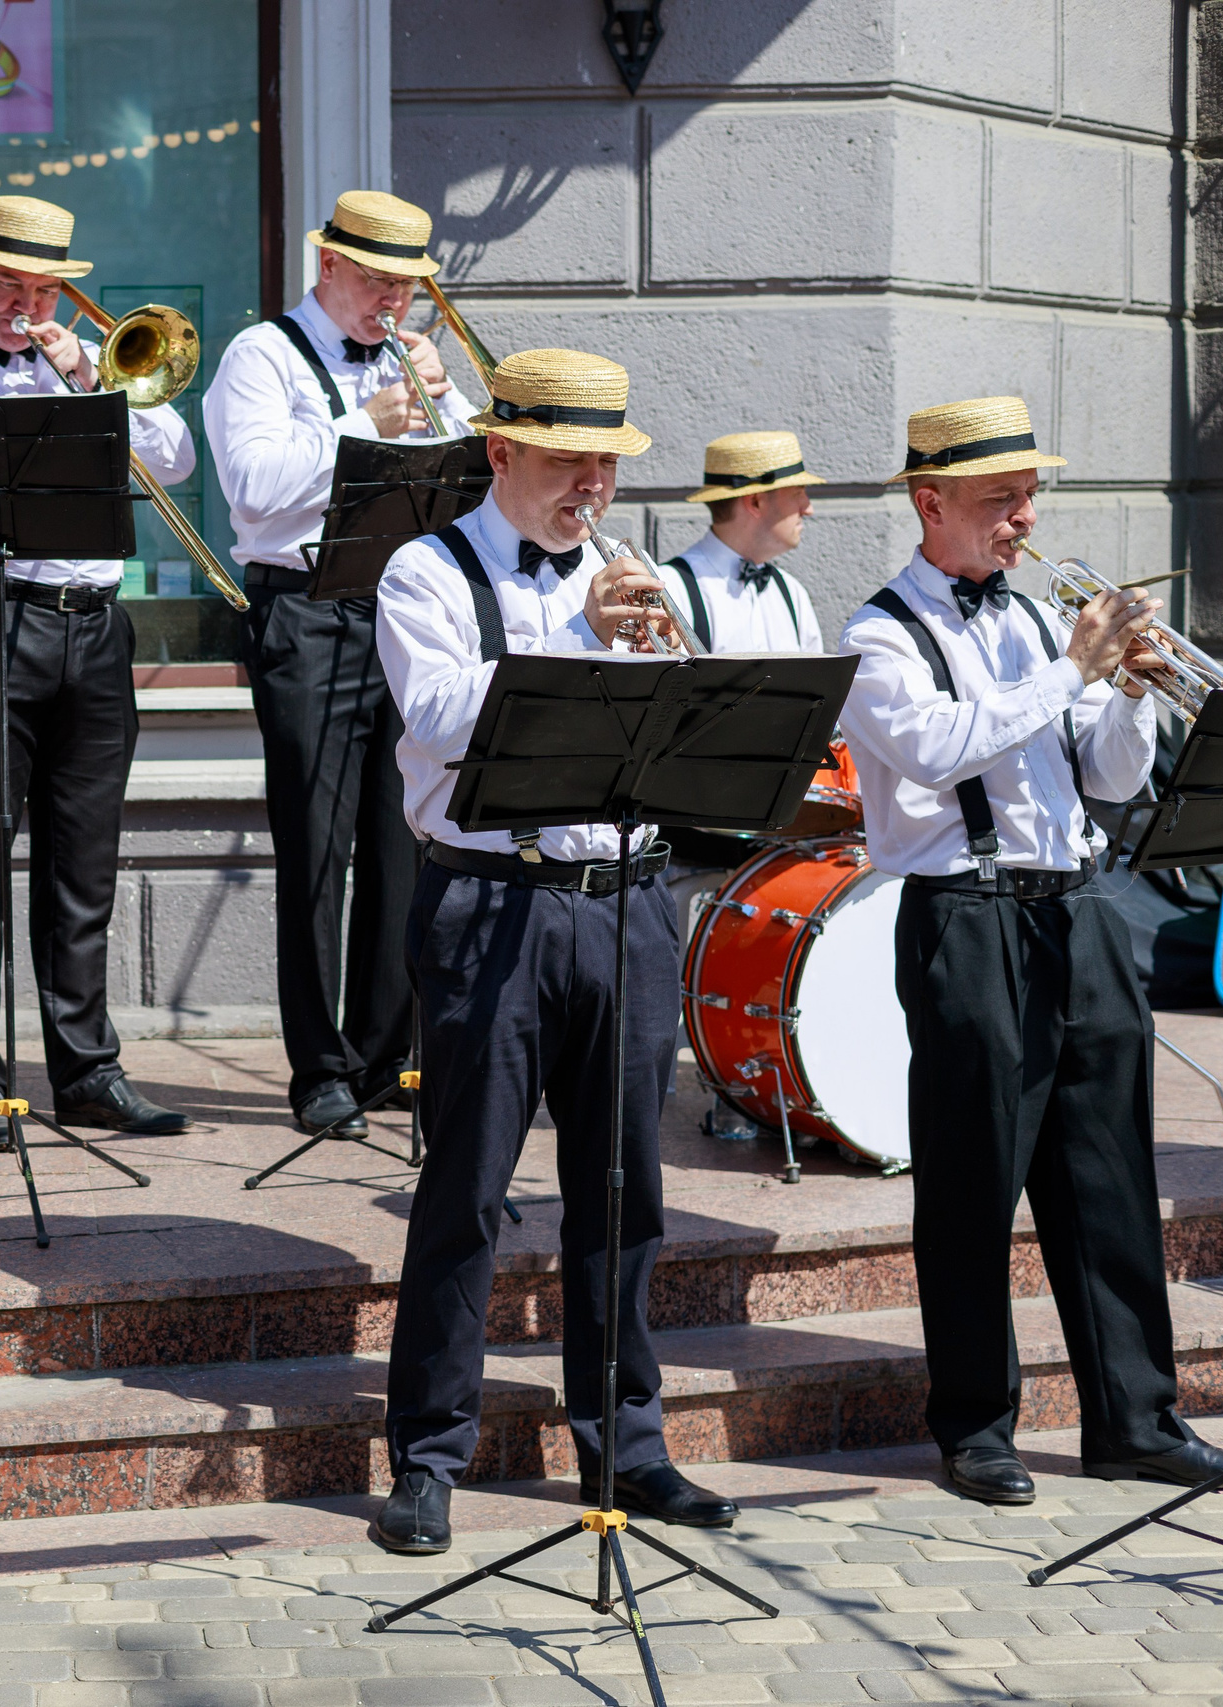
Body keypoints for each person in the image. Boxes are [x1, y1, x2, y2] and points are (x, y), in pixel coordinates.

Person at [836, 396, 1223, 1505]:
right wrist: (1073, 670)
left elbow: (1106, 781)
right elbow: (933, 750)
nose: (1022, 519)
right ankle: (975, 1426)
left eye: (1027, 497)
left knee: (1109, 1178)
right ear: (930, 503)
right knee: (973, 1182)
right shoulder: (878, 636)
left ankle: (1135, 1419)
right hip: (965, 919)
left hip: (1081, 907)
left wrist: (1128, 692)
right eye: (997, 499)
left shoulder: (1026, 626)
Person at [371, 347, 740, 1553]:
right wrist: (578, 637)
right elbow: (434, 716)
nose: (592, 483)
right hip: (491, 906)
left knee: (624, 1194)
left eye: (606, 463)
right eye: (570, 459)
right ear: (499, 453)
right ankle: (427, 1457)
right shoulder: (424, 571)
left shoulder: (625, 573)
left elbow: (682, 748)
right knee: (467, 1190)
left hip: (626, 906)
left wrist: (671, 676)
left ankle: (625, 1447)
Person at [0, 194, 198, 1140]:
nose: (26, 300)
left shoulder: (88, 367)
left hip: (95, 627)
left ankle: (88, 1070)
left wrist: (91, 384)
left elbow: (173, 462)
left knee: (83, 864)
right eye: (8, 280)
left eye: (44, 285)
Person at [202, 189, 474, 1138]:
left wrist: (445, 407)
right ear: (327, 266)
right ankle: (317, 1068)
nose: (393, 302)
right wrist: (368, 426)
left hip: (405, 610)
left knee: (404, 838)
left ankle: (382, 1057)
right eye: (376, 281)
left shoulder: (412, 361)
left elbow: (477, 481)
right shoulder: (262, 355)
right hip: (306, 609)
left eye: (406, 285)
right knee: (316, 848)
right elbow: (254, 488)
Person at [654, 430, 829, 1142]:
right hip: (695, 817)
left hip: (777, 811)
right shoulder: (671, 584)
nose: (809, 508)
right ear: (756, 500)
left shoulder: (792, 591)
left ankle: (782, 1072)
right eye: (798, 493)